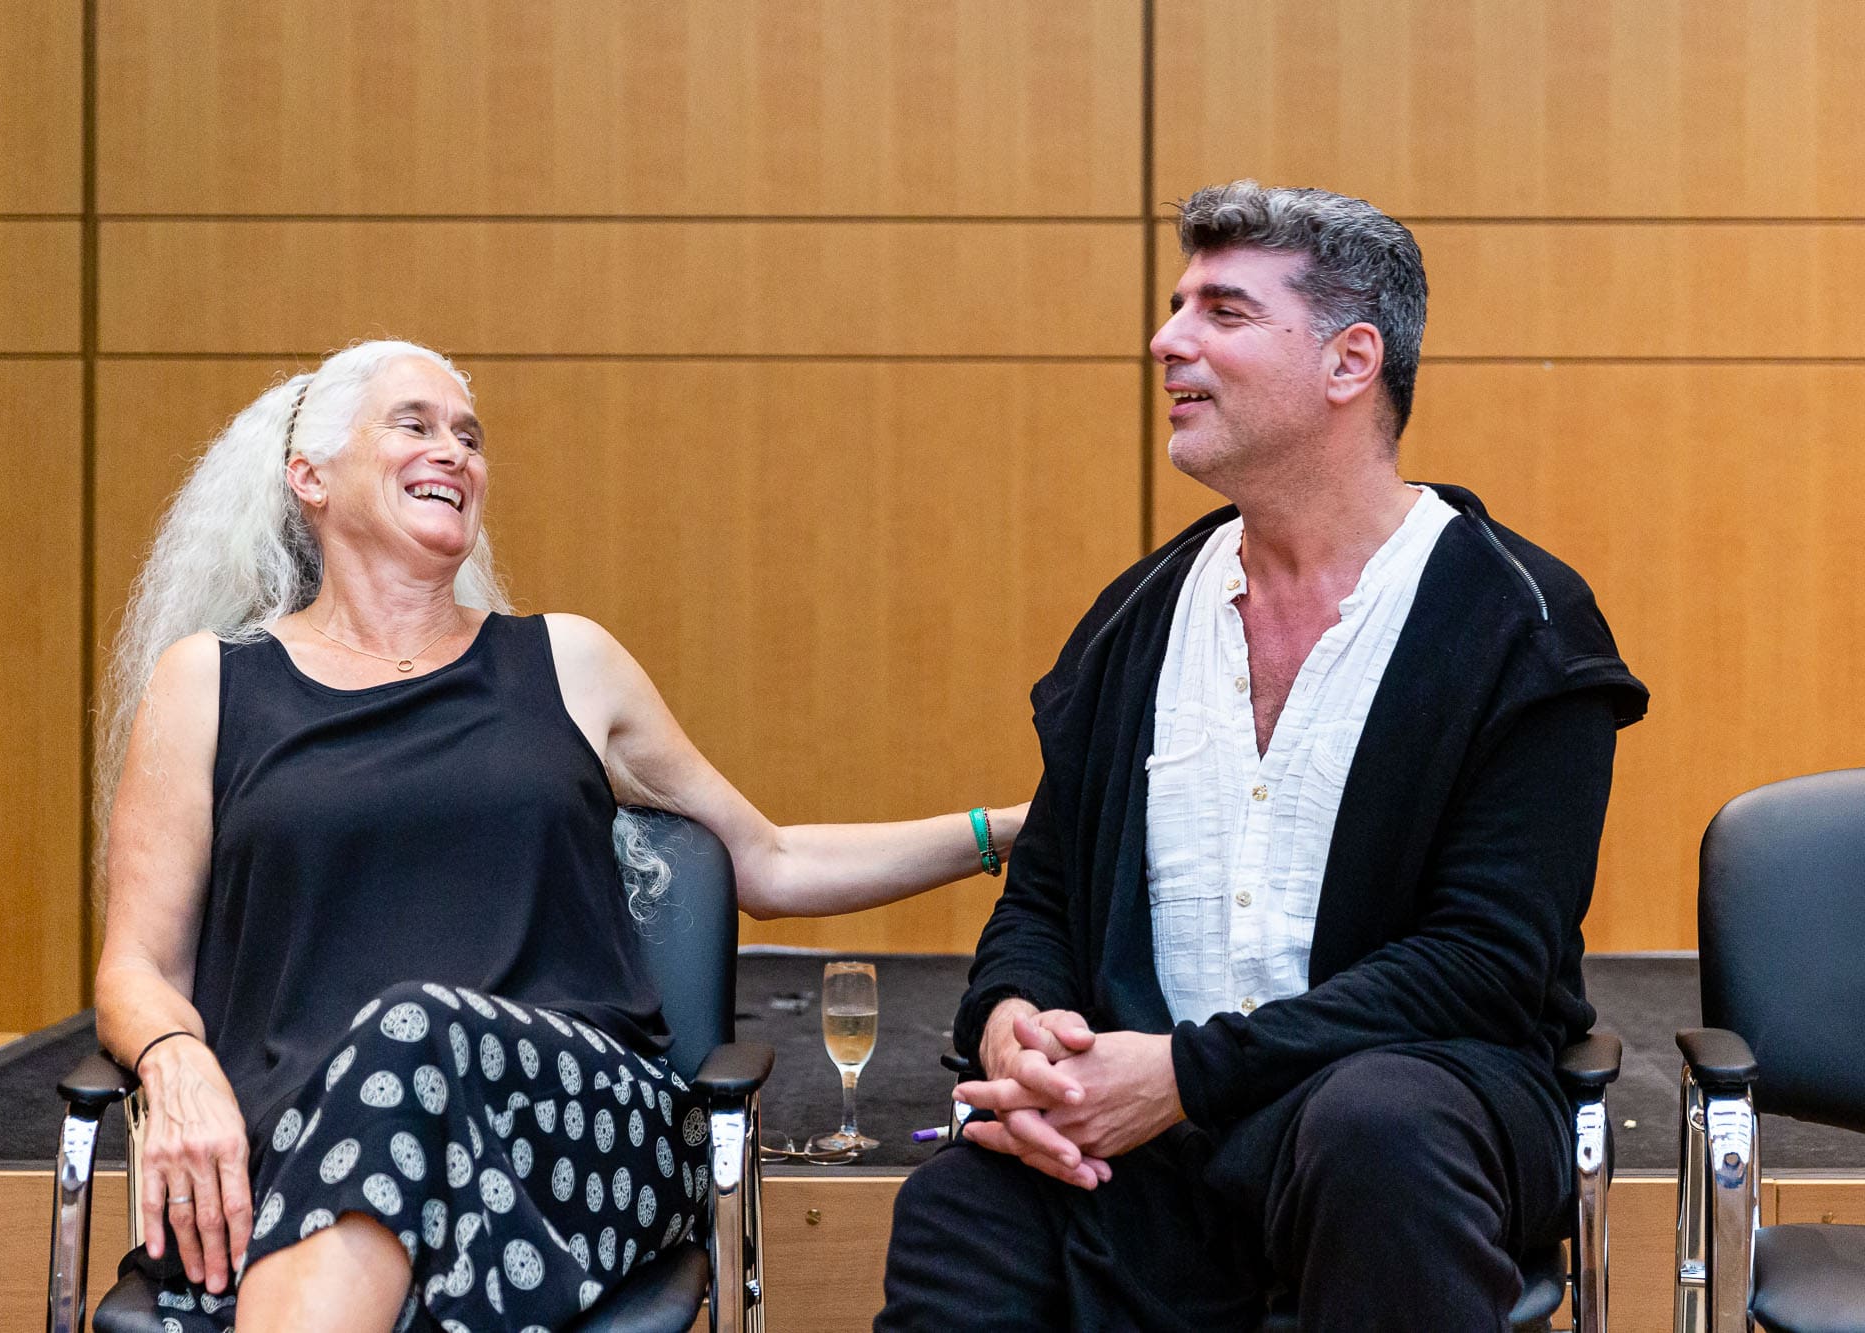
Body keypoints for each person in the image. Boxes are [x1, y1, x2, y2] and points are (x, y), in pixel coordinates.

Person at [95, 338, 1027, 1333]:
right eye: (414, 425)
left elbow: (774, 861)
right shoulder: (208, 683)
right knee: (383, 1117)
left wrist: (1014, 831)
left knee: (411, 1032)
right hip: (302, 1129)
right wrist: (172, 1059)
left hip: (572, 1128)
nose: (453, 451)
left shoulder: (568, 663)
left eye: (469, 436)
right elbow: (135, 965)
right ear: (309, 477)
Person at [877, 181, 1649, 1332]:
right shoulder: (1134, 618)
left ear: (1348, 362)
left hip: (1411, 1103)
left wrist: (1184, 1075)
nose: (1165, 340)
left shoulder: (1519, 623)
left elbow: (1482, 962)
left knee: (1373, 1129)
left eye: (1222, 311)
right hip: (1150, 1135)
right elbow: (1041, 897)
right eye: (1174, 305)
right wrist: (1014, 1024)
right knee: (963, 1199)